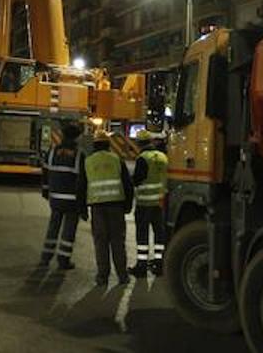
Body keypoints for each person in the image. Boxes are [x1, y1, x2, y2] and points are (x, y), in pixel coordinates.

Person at [85, 130, 133, 285]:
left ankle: (102, 277)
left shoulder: (88, 161)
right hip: (116, 206)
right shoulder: (116, 159)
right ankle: (122, 276)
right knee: (117, 241)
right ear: (108, 144)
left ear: (95, 144)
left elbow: (81, 186)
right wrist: (128, 205)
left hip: (97, 208)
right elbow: (127, 185)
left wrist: (82, 209)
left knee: (101, 242)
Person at [39, 121, 85, 269]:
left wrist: (46, 190)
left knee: (53, 227)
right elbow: (82, 180)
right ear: (77, 137)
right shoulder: (79, 155)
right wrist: (83, 203)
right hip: (72, 200)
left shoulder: (52, 151)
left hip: (55, 198)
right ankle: (63, 260)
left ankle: (45, 258)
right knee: (68, 231)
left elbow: (45, 172)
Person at [129, 130, 168, 276]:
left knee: (143, 235)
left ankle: (141, 265)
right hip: (159, 203)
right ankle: (159, 264)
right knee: (159, 234)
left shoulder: (143, 158)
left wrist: (129, 181)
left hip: (145, 204)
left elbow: (138, 179)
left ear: (139, 144)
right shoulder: (163, 157)